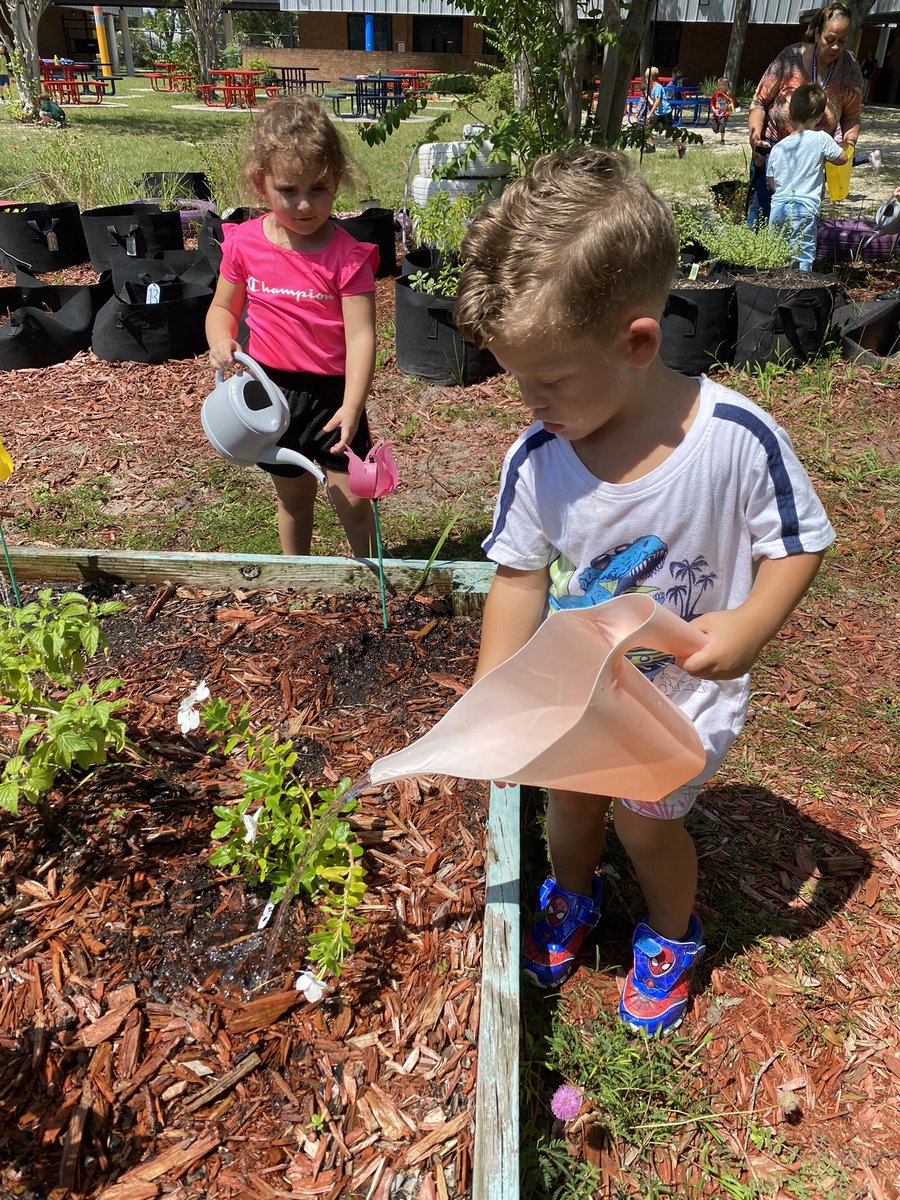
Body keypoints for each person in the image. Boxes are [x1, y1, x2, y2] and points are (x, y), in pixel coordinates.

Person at [453, 147, 834, 1035]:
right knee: (570, 804)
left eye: (549, 379)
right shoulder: (540, 460)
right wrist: (494, 690)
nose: (529, 398)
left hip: (683, 700)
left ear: (636, 343)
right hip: (586, 687)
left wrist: (748, 624)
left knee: (644, 825)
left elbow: (800, 543)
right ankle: (571, 898)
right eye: (519, 377)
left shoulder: (736, 439)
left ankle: (671, 932)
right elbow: (516, 575)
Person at [206, 95, 378, 558]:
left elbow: (362, 336)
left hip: (333, 397)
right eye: (288, 190)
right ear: (260, 184)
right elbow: (223, 308)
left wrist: (353, 403)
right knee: (293, 498)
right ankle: (294, 581)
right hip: (271, 391)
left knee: (355, 498)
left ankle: (369, 578)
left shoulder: (347, 256)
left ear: (337, 181)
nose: (305, 205)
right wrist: (221, 339)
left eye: (319, 189)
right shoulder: (243, 245)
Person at [747, 1, 862, 228]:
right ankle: (751, 261)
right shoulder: (789, 58)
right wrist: (755, 140)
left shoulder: (850, 69)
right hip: (774, 150)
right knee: (763, 213)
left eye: (843, 41)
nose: (837, 47)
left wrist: (848, 144)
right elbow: (759, 101)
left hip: (811, 161)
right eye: (831, 39)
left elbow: (851, 115)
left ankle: (793, 263)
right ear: (818, 32)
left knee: (800, 222)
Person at [766, 84, 847, 271]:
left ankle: (775, 288)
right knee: (802, 253)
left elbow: (772, 183)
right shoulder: (821, 139)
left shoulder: (778, 147)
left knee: (776, 252)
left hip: (778, 207)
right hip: (805, 207)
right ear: (819, 117)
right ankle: (800, 291)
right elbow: (842, 159)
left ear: (790, 113)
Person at [644, 67, 686, 158]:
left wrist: (650, 113)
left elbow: (658, 100)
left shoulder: (658, 87)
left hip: (666, 113)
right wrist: (648, 98)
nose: (646, 81)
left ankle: (681, 147)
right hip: (658, 113)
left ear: (650, 78)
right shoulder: (653, 88)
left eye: (647, 78)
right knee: (646, 127)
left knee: (670, 131)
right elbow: (654, 102)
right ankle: (651, 146)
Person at [710, 77, 735, 145]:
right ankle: (717, 129)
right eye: (719, 85)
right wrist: (714, 110)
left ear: (726, 86)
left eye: (722, 85)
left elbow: (731, 104)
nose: (720, 86)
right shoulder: (716, 95)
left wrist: (729, 107)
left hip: (724, 114)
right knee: (715, 129)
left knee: (722, 126)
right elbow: (712, 104)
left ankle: (722, 139)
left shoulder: (728, 95)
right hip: (716, 115)